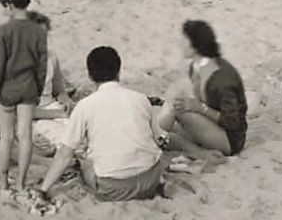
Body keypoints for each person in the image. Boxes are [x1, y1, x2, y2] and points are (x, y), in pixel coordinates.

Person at [36, 46, 164, 203]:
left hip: (113, 189)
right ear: (119, 71)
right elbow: (157, 139)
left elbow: (64, 154)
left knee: (85, 163)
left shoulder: (85, 106)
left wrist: (43, 189)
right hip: (150, 181)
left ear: (90, 76)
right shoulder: (141, 99)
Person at [0, 0, 47, 198]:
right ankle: (21, 182)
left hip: (7, 90)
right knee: (25, 135)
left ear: (10, 4)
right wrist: (39, 90)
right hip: (29, 87)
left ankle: (4, 182)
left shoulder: (3, 31)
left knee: (6, 136)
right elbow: (42, 66)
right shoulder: (39, 31)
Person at [157, 20, 248, 157]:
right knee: (173, 98)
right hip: (212, 124)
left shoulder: (222, 78)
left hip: (229, 139)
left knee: (175, 108)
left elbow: (232, 122)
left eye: (184, 41)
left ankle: (157, 140)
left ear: (195, 46)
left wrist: (200, 108)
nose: (180, 44)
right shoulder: (196, 67)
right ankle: (160, 135)